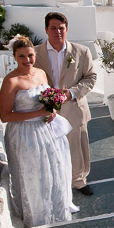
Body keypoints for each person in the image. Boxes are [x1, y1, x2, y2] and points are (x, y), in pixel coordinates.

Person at [0, 37, 72, 227]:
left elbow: (48, 98)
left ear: (35, 54)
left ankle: (54, 211)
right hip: (24, 134)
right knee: (31, 174)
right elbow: (5, 116)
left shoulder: (41, 73)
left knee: (52, 169)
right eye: (22, 56)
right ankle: (36, 215)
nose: (27, 60)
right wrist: (39, 112)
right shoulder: (11, 81)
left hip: (46, 130)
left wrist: (52, 109)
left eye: (30, 55)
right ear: (15, 57)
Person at [34, 12, 98, 195]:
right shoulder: (36, 53)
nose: (57, 32)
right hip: (45, 109)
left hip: (74, 108)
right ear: (46, 29)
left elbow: (90, 77)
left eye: (61, 28)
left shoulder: (81, 52)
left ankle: (79, 181)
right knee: (49, 147)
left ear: (67, 29)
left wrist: (70, 93)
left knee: (77, 147)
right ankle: (55, 182)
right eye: (53, 28)